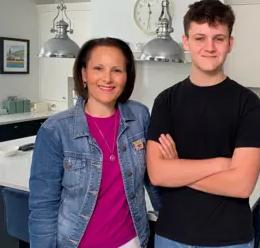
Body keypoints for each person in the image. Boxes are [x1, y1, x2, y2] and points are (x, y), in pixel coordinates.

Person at [146, 0, 260, 247]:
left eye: (219, 38)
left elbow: (242, 185)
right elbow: (157, 174)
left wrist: (178, 169)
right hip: (172, 236)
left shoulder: (248, 103)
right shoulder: (165, 101)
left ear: (230, 44)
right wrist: (221, 164)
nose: (209, 47)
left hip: (229, 239)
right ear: (186, 43)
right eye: (200, 38)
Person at [28, 37, 161, 248]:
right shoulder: (56, 129)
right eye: (98, 68)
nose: (107, 78)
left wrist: (171, 220)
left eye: (117, 70)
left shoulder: (140, 115)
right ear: (83, 74)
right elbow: (43, 205)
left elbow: (151, 178)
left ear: (127, 76)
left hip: (131, 241)